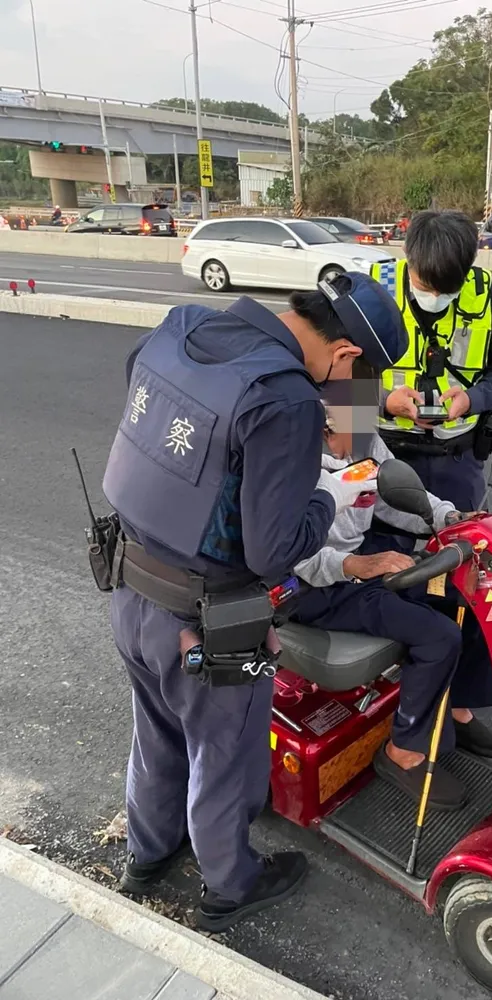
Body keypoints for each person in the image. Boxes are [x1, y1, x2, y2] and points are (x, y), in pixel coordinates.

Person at [101, 273, 408, 931]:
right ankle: (229, 886)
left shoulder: (185, 325)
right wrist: (329, 497)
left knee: (155, 734)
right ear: (346, 355)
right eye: (349, 380)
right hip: (209, 626)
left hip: (129, 587)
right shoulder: (287, 400)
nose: (342, 395)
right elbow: (275, 551)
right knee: (226, 752)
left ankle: (147, 856)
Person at [291, 417, 492, 813]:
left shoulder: (359, 430)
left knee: (470, 597)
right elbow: (288, 552)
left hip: (361, 561)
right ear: (320, 422)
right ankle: (404, 751)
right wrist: (357, 566)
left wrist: (446, 518)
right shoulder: (289, 456)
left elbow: (399, 493)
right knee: (438, 636)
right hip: (317, 586)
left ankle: (455, 708)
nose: (360, 445)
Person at [372, 209, 492, 512]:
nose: (437, 295)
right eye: (427, 286)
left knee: (465, 548)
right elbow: (333, 381)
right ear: (407, 253)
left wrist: (471, 399)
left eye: (448, 289)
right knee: (382, 555)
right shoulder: (373, 290)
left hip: (458, 462)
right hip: (385, 457)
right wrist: (385, 402)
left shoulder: (490, 294)